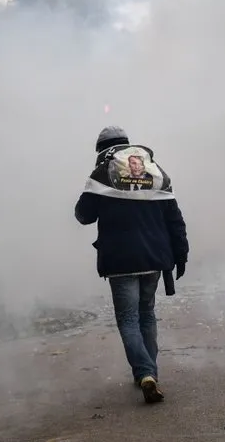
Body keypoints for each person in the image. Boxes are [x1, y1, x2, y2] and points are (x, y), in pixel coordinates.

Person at [74, 126, 189, 404]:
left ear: (102, 150)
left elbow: (83, 215)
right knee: (146, 314)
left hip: (120, 261)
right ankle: (150, 374)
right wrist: (180, 253)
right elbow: (174, 218)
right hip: (153, 259)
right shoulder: (155, 174)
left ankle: (145, 373)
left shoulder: (103, 175)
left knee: (128, 319)